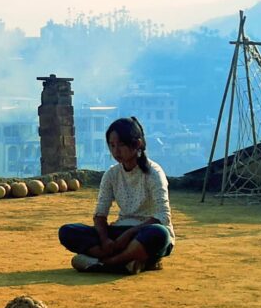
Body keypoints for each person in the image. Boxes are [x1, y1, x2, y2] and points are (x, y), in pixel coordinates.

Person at [58, 117, 174, 274]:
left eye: (121, 145)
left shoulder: (154, 173)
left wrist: (127, 235)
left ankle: (107, 263)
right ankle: (128, 261)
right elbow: (100, 214)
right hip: (118, 232)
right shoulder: (112, 174)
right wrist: (105, 240)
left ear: (137, 144)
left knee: (159, 234)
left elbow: (162, 215)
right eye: (112, 145)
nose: (116, 151)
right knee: (67, 231)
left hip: (143, 232)